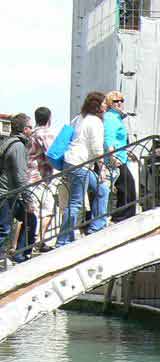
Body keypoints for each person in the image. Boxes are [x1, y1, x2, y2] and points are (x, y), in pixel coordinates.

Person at [56, 92, 110, 246]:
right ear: (98, 106)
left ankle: (97, 226)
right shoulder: (95, 122)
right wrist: (102, 169)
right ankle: (63, 240)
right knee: (76, 203)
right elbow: (97, 148)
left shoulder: (78, 118)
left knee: (102, 190)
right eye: (104, 103)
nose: (106, 106)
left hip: (72, 162)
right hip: (79, 164)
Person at [0, 113, 33, 262]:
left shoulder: (8, 142)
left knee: (29, 220)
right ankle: (17, 255)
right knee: (4, 228)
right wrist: (28, 200)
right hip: (7, 193)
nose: (32, 130)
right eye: (30, 127)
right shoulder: (18, 146)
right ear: (25, 129)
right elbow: (20, 176)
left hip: (7, 192)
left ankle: (19, 254)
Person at [26, 107, 57, 252]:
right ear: (49, 118)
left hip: (30, 175)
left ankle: (30, 244)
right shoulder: (45, 133)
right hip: (41, 176)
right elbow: (52, 153)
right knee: (48, 210)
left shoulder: (31, 133)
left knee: (34, 211)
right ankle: (39, 241)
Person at [103, 91, 136, 222]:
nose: (120, 103)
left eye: (121, 101)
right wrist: (112, 156)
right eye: (116, 101)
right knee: (127, 187)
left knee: (126, 187)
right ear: (110, 104)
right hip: (115, 159)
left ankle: (122, 215)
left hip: (121, 157)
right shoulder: (110, 118)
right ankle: (122, 216)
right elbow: (108, 139)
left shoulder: (117, 118)